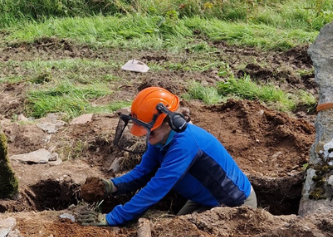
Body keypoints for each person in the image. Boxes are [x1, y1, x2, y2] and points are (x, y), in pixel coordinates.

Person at [78, 87, 257, 227]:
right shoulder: (160, 139)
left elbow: (157, 188)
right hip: (204, 199)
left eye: (150, 130)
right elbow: (143, 172)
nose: (147, 137)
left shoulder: (185, 145)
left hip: (235, 205)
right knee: (176, 227)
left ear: (170, 121)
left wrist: (112, 218)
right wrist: (111, 186)